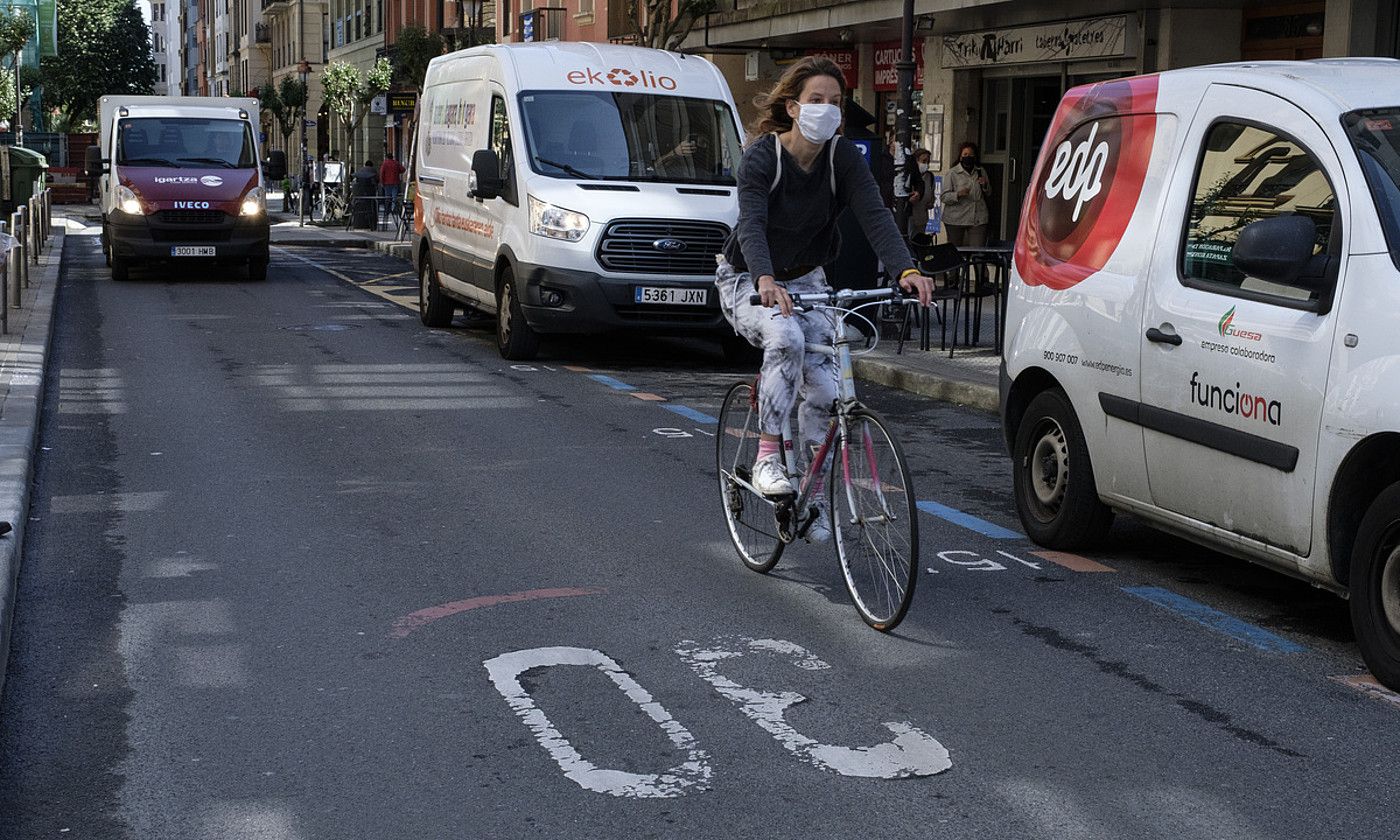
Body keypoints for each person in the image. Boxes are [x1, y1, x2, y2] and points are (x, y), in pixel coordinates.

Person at [715, 56, 934, 542]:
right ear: (793, 107)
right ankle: (768, 456)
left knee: (830, 392)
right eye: (816, 101)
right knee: (786, 338)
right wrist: (764, 278)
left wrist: (907, 269)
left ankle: (812, 497)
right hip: (747, 277)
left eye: (836, 103)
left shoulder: (842, 159)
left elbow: (876, 216)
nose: (827, 111)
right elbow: (750, 222)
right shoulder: (763, 157)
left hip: (808, 278)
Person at [941, 142, 991, 246]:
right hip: (956, 219)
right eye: (965, 155)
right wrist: (957, 194)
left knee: (977, 251)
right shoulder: (952, 173)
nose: (968, 157)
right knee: (956, 250)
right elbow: (944, 197)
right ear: (960, 157)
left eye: (971, 155)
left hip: (978, 217)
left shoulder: (980, 171)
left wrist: (985, 185)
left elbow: (989, 192)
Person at [901, 148, 937, 239]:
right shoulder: (907, 175)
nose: (926, 164)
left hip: (922, 217)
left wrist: (931, 203)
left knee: (919, 241)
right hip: (909, 216)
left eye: (928, 161)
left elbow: (931, 195)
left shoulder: (930, 177)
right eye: (923, 161)